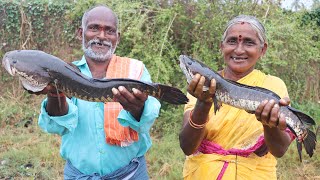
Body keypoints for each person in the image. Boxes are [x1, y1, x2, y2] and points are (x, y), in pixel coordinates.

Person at [36, 5, 160, 179]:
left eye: (109, 31)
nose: (102, 36)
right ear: (81, 33)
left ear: (117, 38)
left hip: (131, 174)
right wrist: (55, 93)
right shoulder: (66, 72)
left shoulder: (135, 70)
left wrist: (137, 108)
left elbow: (148, 119)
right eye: (94, 28)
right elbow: (56, 126)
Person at [179, 15, 295, 179]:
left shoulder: (273, 86)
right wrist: (203, 103)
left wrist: (269, 125)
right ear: (222, 46)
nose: (239, 50)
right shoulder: (201, 86)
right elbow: (187, 147)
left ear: (263, 49)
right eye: (232, 41)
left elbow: (280, 150)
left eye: (249, 42)